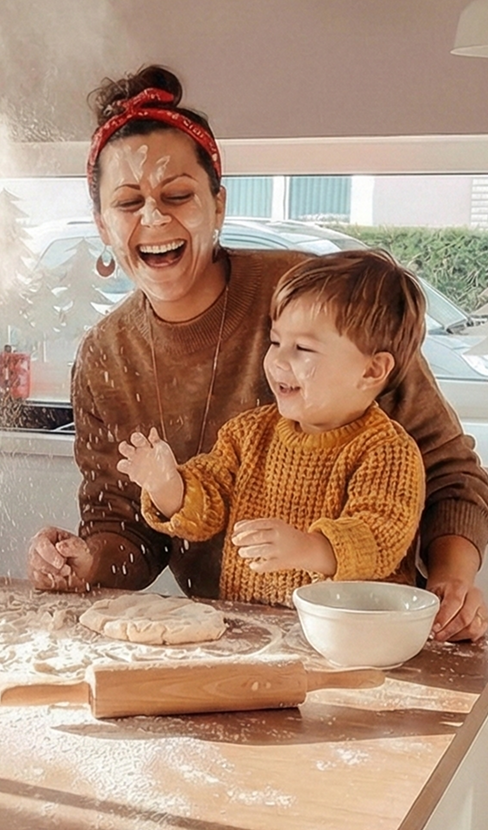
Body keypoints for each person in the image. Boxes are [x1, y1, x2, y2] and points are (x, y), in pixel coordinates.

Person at [28, 64, 488, 641]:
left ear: (218, 205)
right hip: (233, 631)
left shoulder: (304, 300)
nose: (153, 218)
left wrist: (451, 580)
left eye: (177, 195)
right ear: (100, 223)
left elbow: (448, 470)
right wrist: (86, 563)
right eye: (127, 203)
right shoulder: (105, 355)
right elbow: (128, 530)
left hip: (358, 626)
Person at [117, 250, 426, 606]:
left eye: (303, 348)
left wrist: (309, 548)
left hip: (351, 641)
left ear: (372, 371)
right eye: (276, 341)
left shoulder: (387, 451)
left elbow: (380, 538)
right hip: (256, 628)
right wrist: (167, 484)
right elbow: (207, 505)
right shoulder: (248, 434)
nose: (278, 359)